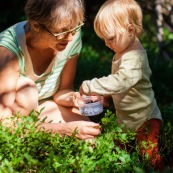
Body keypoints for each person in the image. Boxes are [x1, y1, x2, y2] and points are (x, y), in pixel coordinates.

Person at [79, 0, 164, 171]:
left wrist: (91, 86)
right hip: (127, 118)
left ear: (130, 30)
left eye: (110, 38)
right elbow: (122, 83)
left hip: (144, 119)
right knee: (119, 149)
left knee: (150, 156)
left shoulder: (135, 58)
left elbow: (122, 81)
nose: (106, 44)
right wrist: (107, 96)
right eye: (103, 39)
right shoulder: (123, 50)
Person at [0, 0, 101, 140]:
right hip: (12, 115)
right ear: (36, 25)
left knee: (90, 137)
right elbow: (2, 121)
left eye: (75, 28)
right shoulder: (8, 50)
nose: (71, 37)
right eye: (63, 31)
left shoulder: (70, 37)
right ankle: (28, 148)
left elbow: (63, 90)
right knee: (26, 90)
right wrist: (62, 130)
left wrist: (74, 98)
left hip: (44, 107)